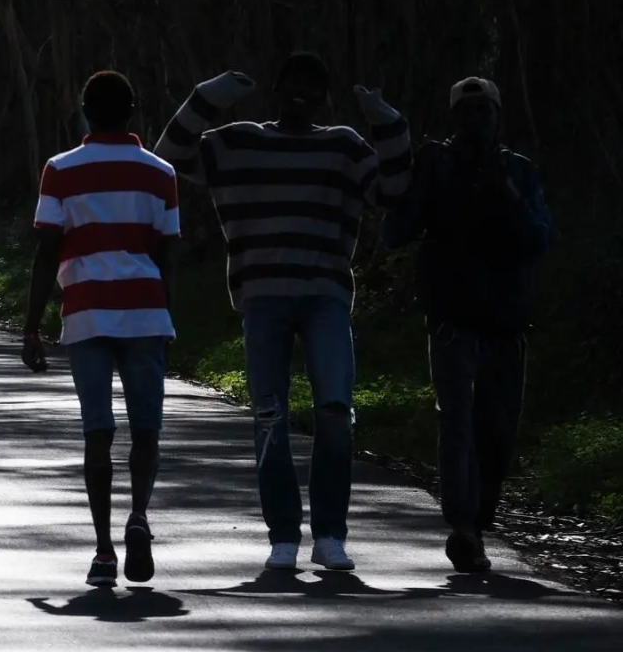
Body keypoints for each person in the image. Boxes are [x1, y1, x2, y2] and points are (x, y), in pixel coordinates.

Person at [153, 52, 411, 573]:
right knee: (269, 416)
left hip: (325, 296)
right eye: (292, 83)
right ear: (275, 90)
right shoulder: (238, 142)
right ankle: (284, 537)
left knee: (335, 411)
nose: (301, 94)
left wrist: (386, 120)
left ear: (324, 98)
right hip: (263, 297)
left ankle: (330, 535)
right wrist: (212, 93)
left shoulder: (343, 146)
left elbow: (394, 191)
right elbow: (168, 158)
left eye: (312, 86)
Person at [385, 76, 551, 573]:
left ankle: (479, 518)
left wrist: (509, 197)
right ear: (454, 117)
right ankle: (464, 528)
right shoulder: (436, 166)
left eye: (484, 110)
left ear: (498, 116)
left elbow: (541, 239)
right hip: (452, 319)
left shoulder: (519, 171)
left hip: (506, 321)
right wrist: (414, 180)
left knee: (497, 431)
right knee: (456, 422)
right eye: (467, 111)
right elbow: (396, 230)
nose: (475, 120)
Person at [22, 71, 179, 589]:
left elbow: (48, 249)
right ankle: (139, 515)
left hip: (87, 312)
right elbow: (167, 253)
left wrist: (31, 327)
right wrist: (168, 315)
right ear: (133, 111)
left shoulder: (60, 170)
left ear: (84, 110)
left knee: (98, 431)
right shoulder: (161, 172)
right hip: (145, 312)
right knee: (146, 429)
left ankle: (104, 550)